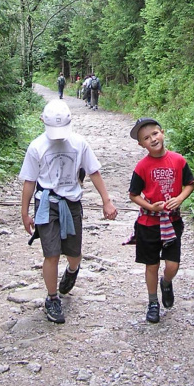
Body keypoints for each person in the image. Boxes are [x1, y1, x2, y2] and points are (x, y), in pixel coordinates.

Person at [20, 100, 117, 324]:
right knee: (51, 253)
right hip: (46, 203)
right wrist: (24, 212)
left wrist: (107, 201)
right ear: (42, 122)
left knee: (73, 253)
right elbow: (29, 181)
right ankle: (52, 298)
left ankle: (73, 270)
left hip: (71, 202)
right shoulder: (36, 147)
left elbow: (94, 172)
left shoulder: (79, 144)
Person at [128, 117, 194, 324]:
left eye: (155, 134)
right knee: (151, 265)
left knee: (173, 264)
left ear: (162, 132)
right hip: (148, 224)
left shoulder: (178, 160)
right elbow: (134, 194)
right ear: (141, 144)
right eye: (146, 138)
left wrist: (179, 198)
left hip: (172, 222)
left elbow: (189, 184)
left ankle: (166, 282)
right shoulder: (142, 167)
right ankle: (152, 302)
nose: (153, 139)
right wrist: (150, 206)